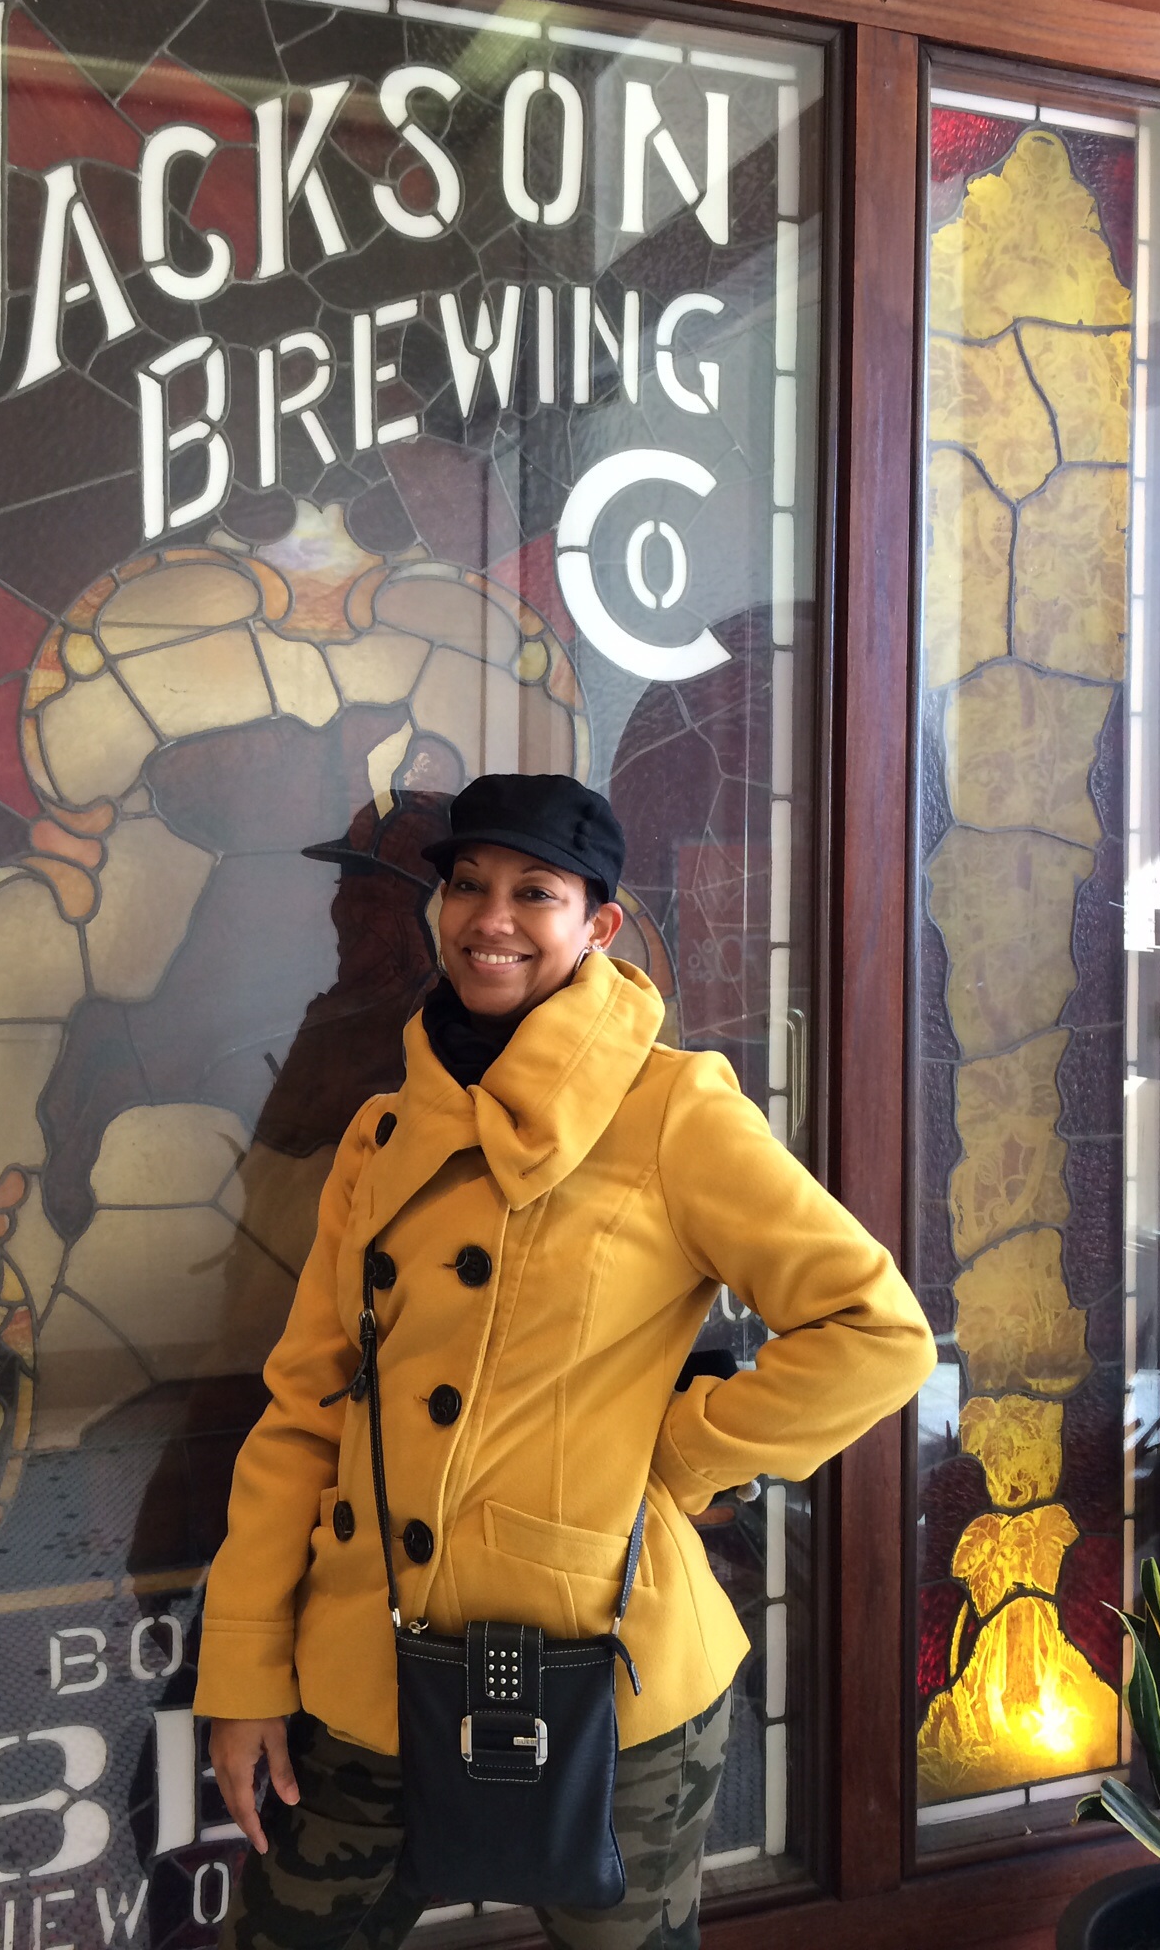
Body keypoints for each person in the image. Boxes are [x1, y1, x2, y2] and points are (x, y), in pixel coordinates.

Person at [194, 772, 935, 1950]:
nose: (490, 917)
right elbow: (304, 1409)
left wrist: (676, 1455)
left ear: (597, 922)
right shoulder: (383, 1130)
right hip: (363, 1669)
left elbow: (877, 1330)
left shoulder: (674, 1109)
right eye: (467, 884)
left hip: (605, 1685)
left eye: (534, 890)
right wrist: (242, 1666)